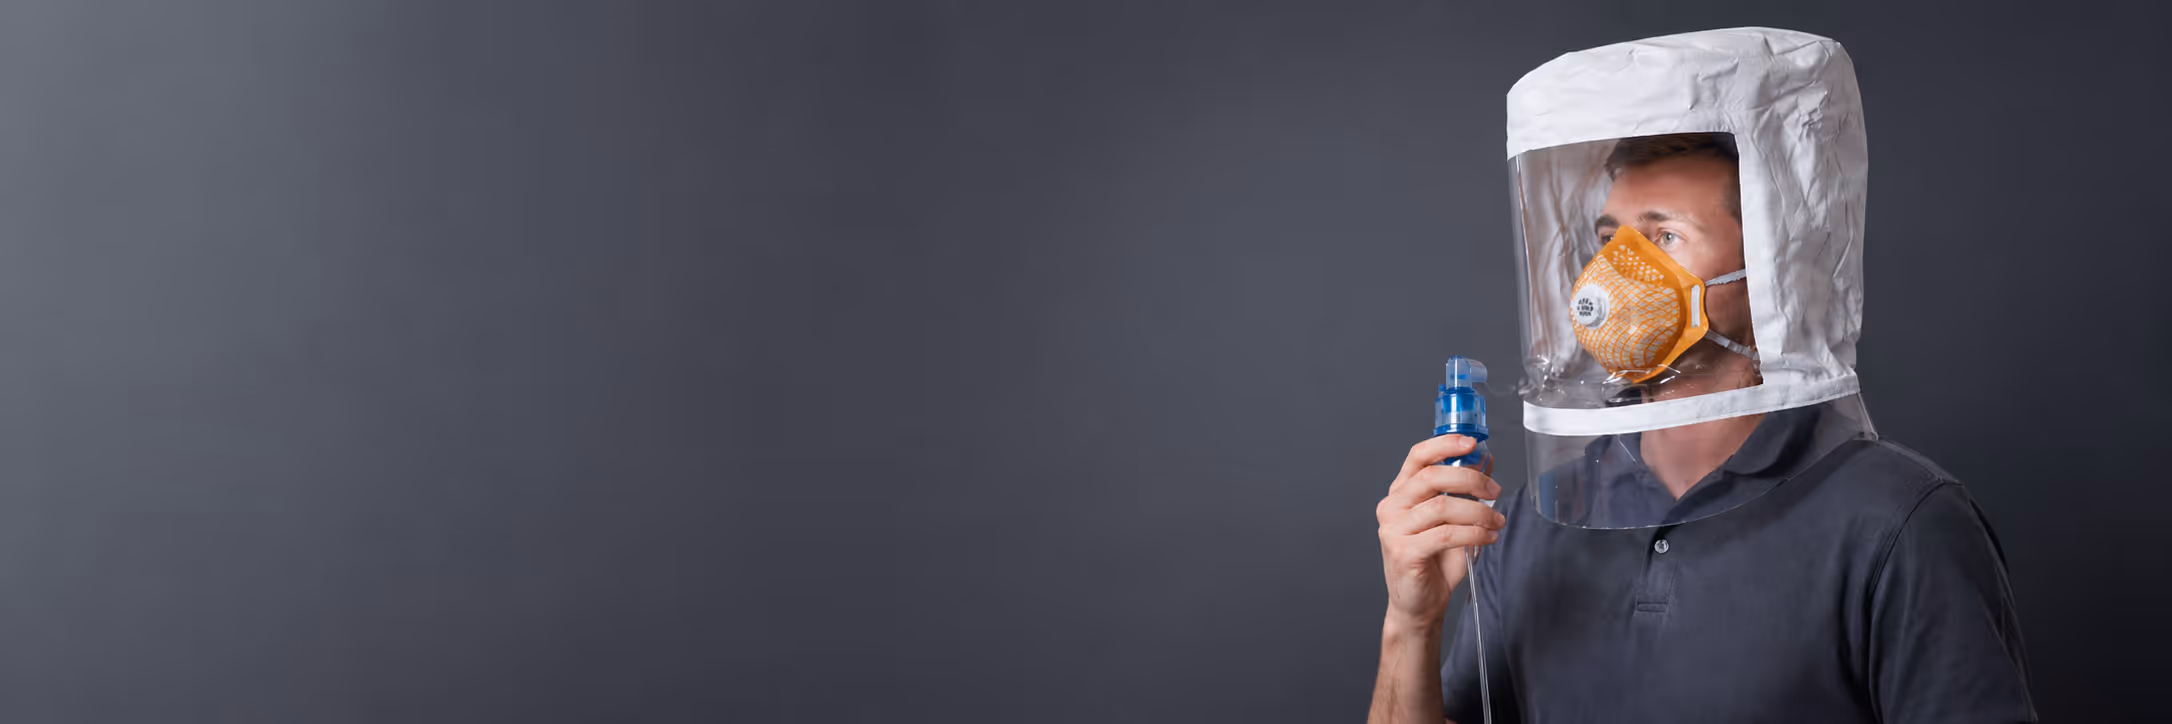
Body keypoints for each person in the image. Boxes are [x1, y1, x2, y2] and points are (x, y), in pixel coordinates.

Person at [1367, 29, 2034, 723]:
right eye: (1608, 239)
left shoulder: (1896, 521)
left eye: (1662, 237)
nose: (1616, 275)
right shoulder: (1541, 520)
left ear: (1772, 272)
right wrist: (1409, 624)